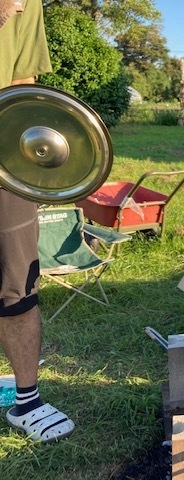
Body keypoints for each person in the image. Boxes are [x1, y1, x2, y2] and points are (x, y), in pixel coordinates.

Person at [0, 0, 75, 442]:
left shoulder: (26, 3)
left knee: (18, 283)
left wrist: (23, 167)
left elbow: (22, 86)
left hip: (4, 163)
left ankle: (26, 401)